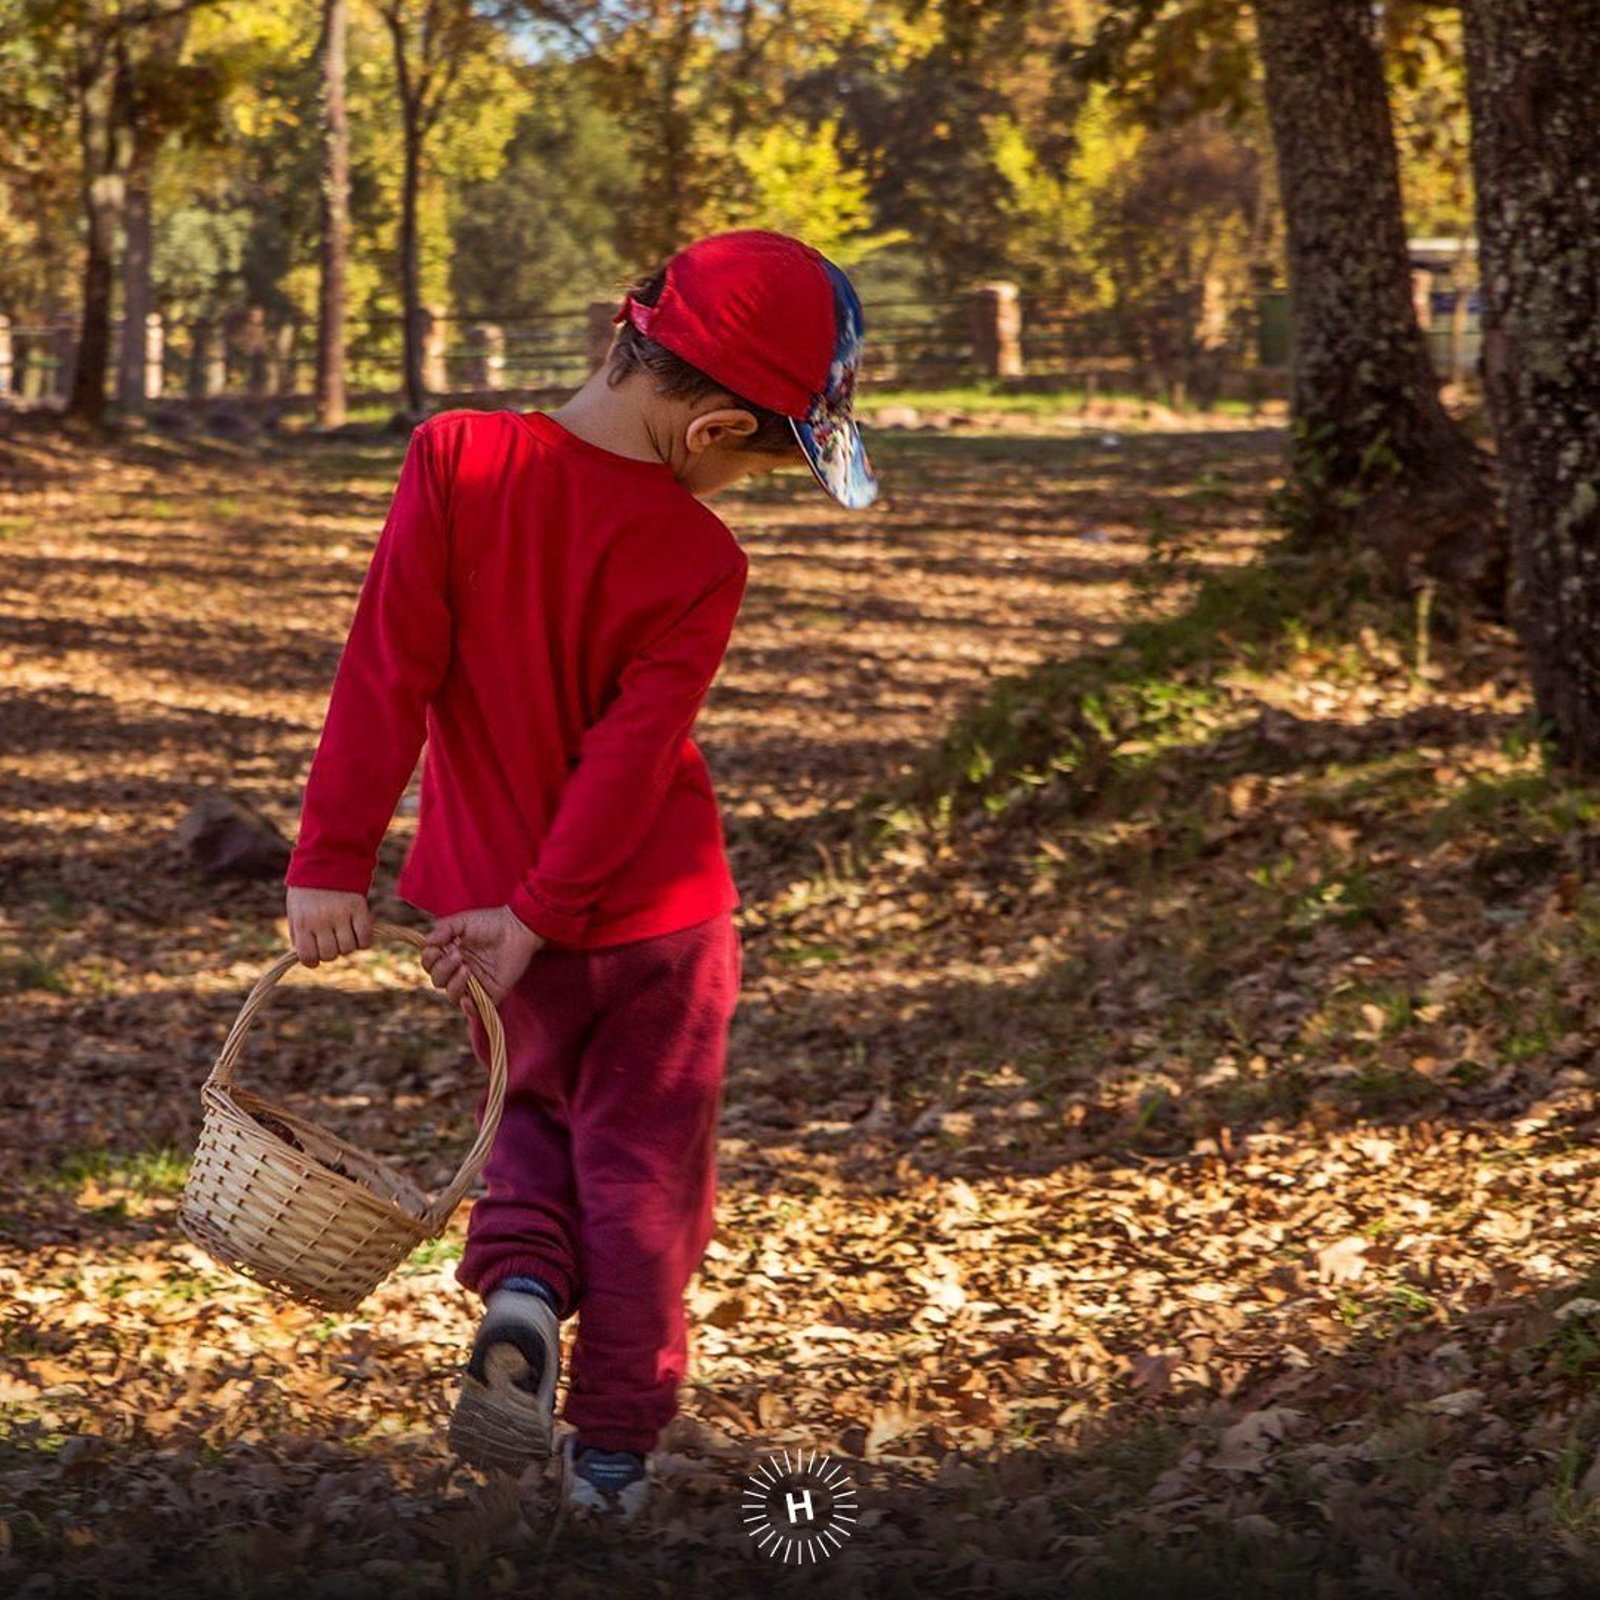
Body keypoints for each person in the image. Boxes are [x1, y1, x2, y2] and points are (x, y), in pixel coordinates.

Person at [280, 230, 878, 1525]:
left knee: (532, 1129)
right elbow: (630, 758)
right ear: (715, 425)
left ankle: (520, 1295)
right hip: (654, 925)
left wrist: (334, 864)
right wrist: (554, 913)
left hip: (475, 919)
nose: (743, 496)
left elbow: (386, 671)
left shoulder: (456, 460)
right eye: (759, 466)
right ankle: (610, 1449)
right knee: (647, 1178)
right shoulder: (699, 560)